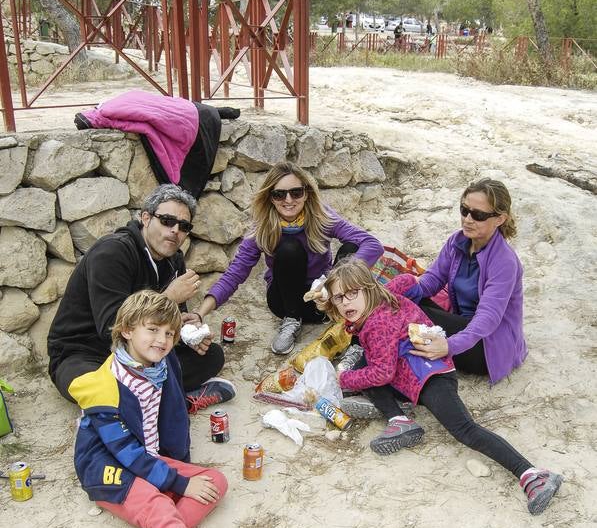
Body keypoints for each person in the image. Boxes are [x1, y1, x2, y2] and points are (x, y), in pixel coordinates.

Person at [70, 290, 280, 528]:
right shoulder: (104, 386)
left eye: (169, 333)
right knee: (159, 506)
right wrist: (179, 482)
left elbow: (170, 419)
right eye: (152, 330)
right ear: (125, 330)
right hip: (107, 469)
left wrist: (183, 468)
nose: (162, 340)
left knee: (214, 483)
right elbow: (125, 453)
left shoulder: (159, 365)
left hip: (146, 457)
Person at [322, 258, 563, 515]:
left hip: (431, 377)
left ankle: (531, 474)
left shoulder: (376, 325)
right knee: (367, 362)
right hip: (413, 370)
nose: (346, 302)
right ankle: (399, 419)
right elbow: (407, 280)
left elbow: (382, 372)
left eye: (352, 293)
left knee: (465, 429)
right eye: (339, 298)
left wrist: (344, 379)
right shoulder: (385, 296)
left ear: (369, 290)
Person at [48, 184, 233, 413]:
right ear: (146, 218)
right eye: (167, 220)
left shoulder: (174, 260)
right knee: (100, 387)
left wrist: (186, 329)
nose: (175, 230)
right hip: (86, 352)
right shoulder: (112, 253)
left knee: (211, 356)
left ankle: (147, 401)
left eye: (183, 226)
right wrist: (168, 298)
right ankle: (174, 400)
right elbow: (111, 328)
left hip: (143, 351)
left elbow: (168, 324)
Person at [196, 162, 383, 355]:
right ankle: (292, 321)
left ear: (306, 193)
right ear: (270, 198)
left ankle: (345, 318)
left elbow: (372, 245)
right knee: (289, 248)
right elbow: (234, 273)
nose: (288, 200)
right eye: (279, 194)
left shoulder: (322, 216)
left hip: (323, 298)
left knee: (351, 249)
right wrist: (199, 313)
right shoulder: (262, 228)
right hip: (284, 301)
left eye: (296, 192)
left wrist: (333, 281)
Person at [403, 178, 527, 384]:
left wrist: (449, 346)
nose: (468, 219)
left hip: (486, 345)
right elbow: (432, 280)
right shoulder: (457, 241)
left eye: (478, 215)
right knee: (404, 301)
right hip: (460, 325)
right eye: (464, 210)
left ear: (500, 219)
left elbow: (488, 318)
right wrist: (398, 290)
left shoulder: (505, 262)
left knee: (409, 313)